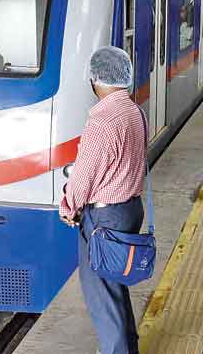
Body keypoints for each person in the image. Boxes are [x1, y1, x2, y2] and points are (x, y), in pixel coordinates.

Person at [60, 47, 147, 354]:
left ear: (95, 79)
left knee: (103, 299)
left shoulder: (102, 120)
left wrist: (69, 206)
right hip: (130, 210)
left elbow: (83, 175)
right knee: (116, 288)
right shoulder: (134, 111)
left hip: (105, 219)